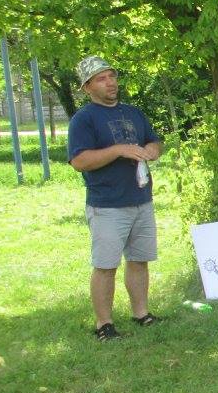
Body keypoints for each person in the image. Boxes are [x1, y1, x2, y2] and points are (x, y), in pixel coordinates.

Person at [67, 55, 164, 340]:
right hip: (107, 205)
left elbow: (154, 140)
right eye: (101, 79)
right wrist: (119, 150)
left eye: (112, 76)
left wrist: (153, 150)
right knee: (106, 266)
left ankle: (141, 313)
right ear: (87, 87)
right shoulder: (84, 119)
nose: (110, 82)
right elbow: (79, 161)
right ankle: (104, 324)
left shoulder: (134, 113)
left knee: (139, 260)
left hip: (141, 199)